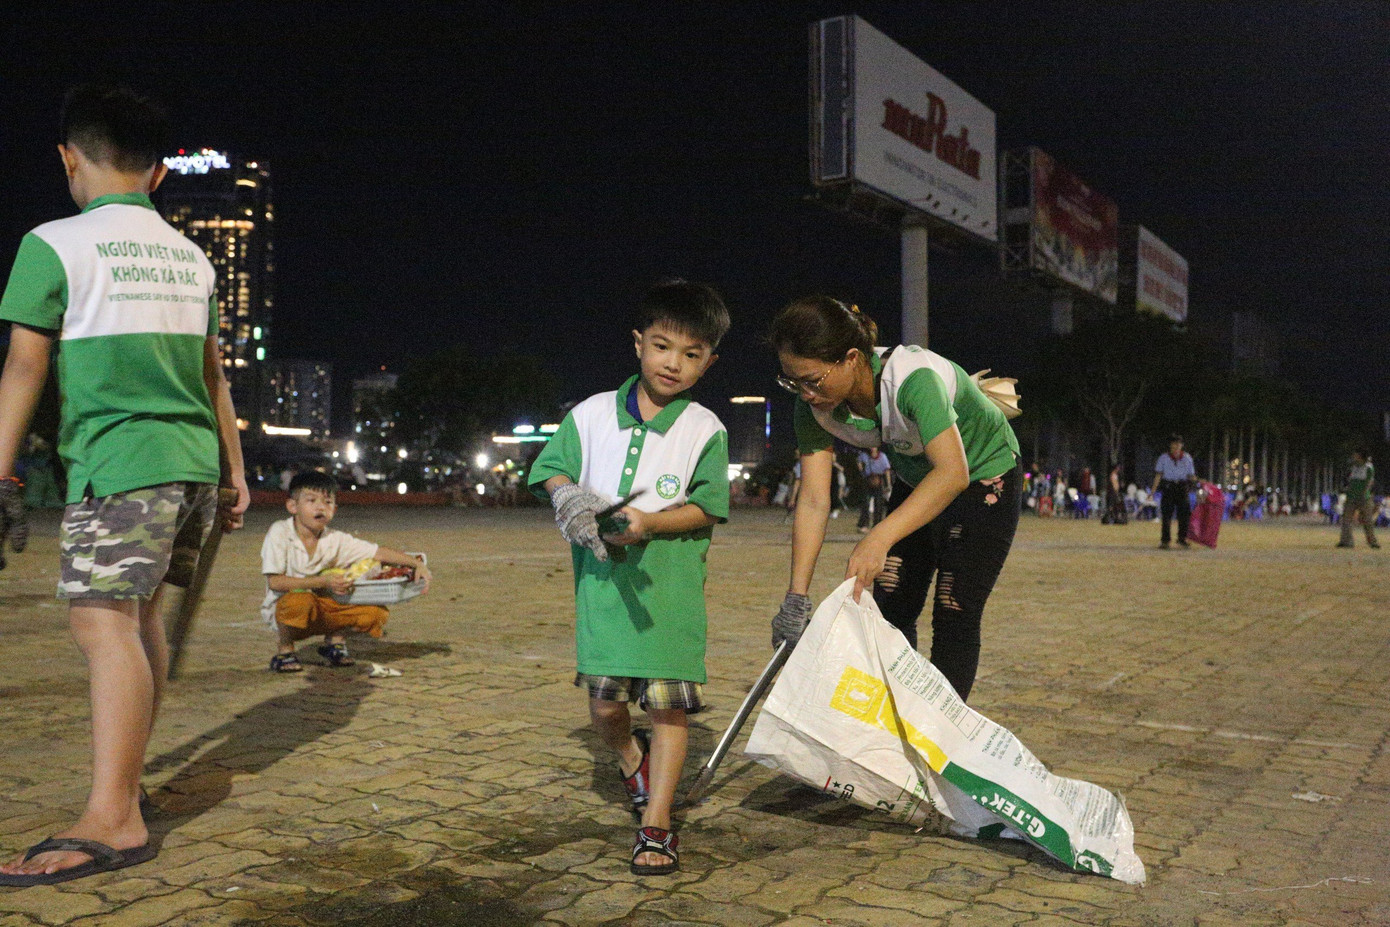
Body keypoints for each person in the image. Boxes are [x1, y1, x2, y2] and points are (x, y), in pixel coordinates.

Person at [0, 85, 250, 886]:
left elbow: (24, 365)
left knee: (101, 624)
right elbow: (215, 376)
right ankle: (124, 785)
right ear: (159, 173)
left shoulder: (54, 243)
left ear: (69, 159)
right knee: (138, 620)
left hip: (120, 465)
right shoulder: (194, 257)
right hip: (191, 467)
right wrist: (237, 471)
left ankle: (113, 814)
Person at [528, 280, 730, 876]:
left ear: (709, 363)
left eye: (692, 355)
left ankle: (657, 826)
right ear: (639, 343)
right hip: (603, 592)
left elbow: (709, 505)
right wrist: (566, 498)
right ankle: (629, 761)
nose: (674, 363)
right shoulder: (589, 414)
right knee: (606, 711)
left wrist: (651, 523)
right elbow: (551, 469)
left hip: (671, 596)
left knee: (669, 712)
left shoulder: (705, 429)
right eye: (663, 346)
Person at [767, 297, 1020, 702]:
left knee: (953, 609)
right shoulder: (811, 407)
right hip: (918, 475)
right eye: (793, 381)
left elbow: (952, 474)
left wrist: (877, 537)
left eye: (813, 380)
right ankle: (901, 715)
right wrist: (796, 598)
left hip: (983, 477)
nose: (806, 394)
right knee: (890, 603)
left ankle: (939, 741)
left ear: (852, 358)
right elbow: (814, 499)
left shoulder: (911, 379)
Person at [260, 471, 432, 671]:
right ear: (292, 506)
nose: (320, 507)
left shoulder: (335, 539)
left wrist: (416, 564)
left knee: (374, 614)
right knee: (298, 602)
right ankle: (285, 650)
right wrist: (323, 582)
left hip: (322, 608)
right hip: (287, 611)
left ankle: (335, 644)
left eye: (327, 502)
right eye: (311, 500)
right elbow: (276, 582)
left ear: (335, 509)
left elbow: (377, 552)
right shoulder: (280, 532)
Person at [1151, 434, 1197, 548]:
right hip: (1168, 487)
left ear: (1182, 445)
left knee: (1184, 515)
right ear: (1170, 445)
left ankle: (1182, 539)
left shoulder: (1187, 458)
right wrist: (1152, 491)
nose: (1176, 446)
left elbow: (1191, 475)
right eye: (1174, 443)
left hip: (1182, 487)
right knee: (1166, 515)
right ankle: (1165, 541)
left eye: (1179, 444)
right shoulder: (1163, 458)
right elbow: (1158, 475)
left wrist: (1199, 483)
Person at [1336, 448, 1380, 549]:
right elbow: (1351, 480)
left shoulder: (1368, 467)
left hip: (1363, 497)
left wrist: (1365, 493)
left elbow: (1369, 482)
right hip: (1351, 496)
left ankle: (1372, 541)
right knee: (1346, 520)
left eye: (1355, 455)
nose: (1353, 457)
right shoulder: (1354, 467)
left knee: (1367, 520)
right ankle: (1346, 541)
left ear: (1360, 456)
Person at [856, 445, 892, 533]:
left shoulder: (882, 456)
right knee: (865, 503)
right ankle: (864, 524)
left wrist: (888, 484)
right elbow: (858, 461)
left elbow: (886, 470)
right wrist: (861, 469)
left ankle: (877, 524)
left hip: (878, 480)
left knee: (879, 503)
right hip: (867, 479)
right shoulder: (864, 455)